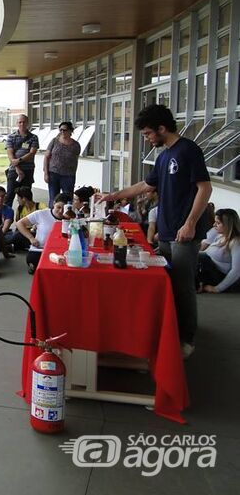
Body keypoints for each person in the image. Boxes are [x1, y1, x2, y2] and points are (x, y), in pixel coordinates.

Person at [98, 105, 212, 359]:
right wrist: (114, 195)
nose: (148, 138)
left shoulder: (188, 150)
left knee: (183, 285)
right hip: (168, 230)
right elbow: (145, 185)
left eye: (149, 133)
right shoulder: (162, 157)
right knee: (167, 282)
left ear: (162, 129)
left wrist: (190, 223)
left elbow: (204, 188)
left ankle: (187, 339)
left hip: (185, 231)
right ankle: (171, 330)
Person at [15, 193, 69, 273]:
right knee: (36, 261)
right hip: (40, 249)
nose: (61, 211)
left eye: (64, 209)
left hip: (61, 251)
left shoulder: (72, 217)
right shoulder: (41, 214)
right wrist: (31, 238)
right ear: (54, 203)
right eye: (58, 207)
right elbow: (19, 223)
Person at [197, 209, 240, 294]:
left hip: (221, 278)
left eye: (218, 223)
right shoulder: (220, 236)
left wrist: (217, 288)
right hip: (210, 272)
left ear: (228, 225)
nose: (214, 225)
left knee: (202, 257)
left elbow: (237, 271)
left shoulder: (236, 242)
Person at [4, 115, 39, 206]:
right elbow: (10, 153)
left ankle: (24, 218)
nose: (22, 124)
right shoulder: (11, 137)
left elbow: (32, 153)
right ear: (17, 123)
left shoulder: (33, 137)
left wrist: (18, 160)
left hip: (28, 170)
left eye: (24, 122)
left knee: (26, 197)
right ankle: (7, 219)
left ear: (27, 123)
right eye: (20, 122)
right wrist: (17, 168)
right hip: (13, 170)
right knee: (9, 195)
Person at [43, 121, 80, 206]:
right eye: (60, 130)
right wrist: (46, 173)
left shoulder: (76, 145)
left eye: (65, 130)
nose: (62, 132)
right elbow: (46, 157)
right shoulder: (54, 141)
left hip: (68, 175)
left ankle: (67, 216)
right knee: (53, 198)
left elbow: (75, 160)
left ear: (70, 131)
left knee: (68, 198)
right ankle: (52, 216)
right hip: (53, 173)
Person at [0, 186, 16, 257]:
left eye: (3, 196)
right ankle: (5, 247)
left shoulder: (9, 210)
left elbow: (4, 229)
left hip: (3, 234)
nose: (1, 198)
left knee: (15, 236)